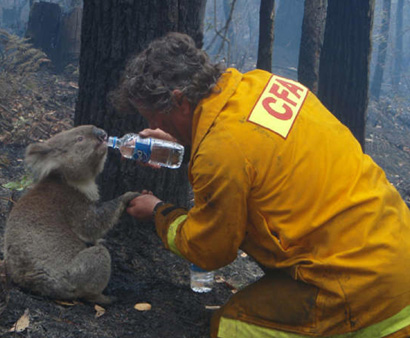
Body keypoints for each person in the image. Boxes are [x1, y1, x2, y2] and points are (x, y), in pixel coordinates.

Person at [111, 32, 410, 337]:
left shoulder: (221, 152)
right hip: (397, 250)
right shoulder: (262, 84)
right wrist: (186, 144)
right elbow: (253, 153)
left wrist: (159, 212)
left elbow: (209, 250)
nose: (154, 127)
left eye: (154, 117)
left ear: (179, 101)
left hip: (362, 292)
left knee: (233, 326)